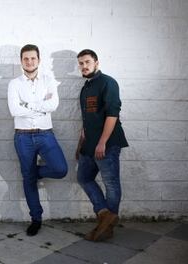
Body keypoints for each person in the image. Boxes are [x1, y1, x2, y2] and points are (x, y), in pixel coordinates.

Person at [7, 44, 68, 236]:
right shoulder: (14, 84)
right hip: (23, 136)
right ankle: (36, 218)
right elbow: (14, 110)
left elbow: (54, 104)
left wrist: (27, 104)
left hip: (45, 133)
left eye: (33, 58)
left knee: (60, 169)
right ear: (21, 61)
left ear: (39, 60)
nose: (29, 61)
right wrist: (41, 106)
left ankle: (36, 173)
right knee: (28, 179)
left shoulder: (49, 80)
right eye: (26, 58)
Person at [75, 49, 128, 242]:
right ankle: (106, 215)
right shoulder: (86, 87)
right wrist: (80, 144)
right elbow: (87, 119)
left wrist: (102, 142)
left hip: (108, 143)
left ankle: (106, 227)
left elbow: (113, 114)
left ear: (96, 62)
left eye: (87, 62)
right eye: (80, 63)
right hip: (89, 145)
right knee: (83, 177)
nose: (84, 66)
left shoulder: (108, 82)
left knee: (111, 183)